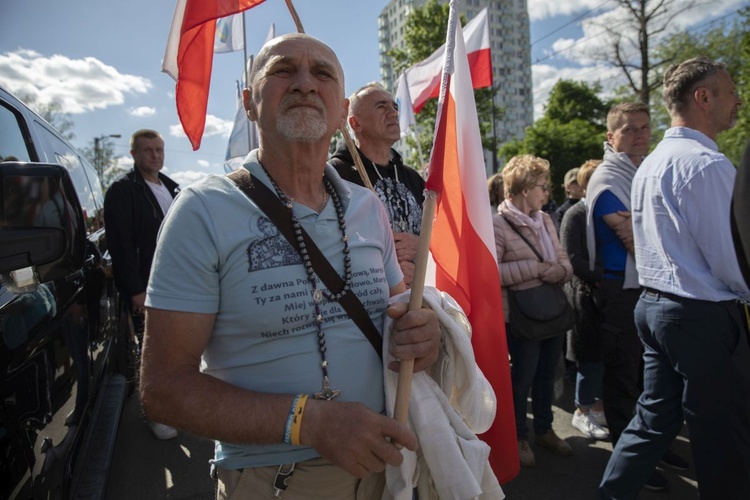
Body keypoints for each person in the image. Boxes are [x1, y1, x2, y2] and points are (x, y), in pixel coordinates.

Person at [139, 34, 442, 499]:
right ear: (249, 103)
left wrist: (422, 337)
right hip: (275, 481)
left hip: (387, 471)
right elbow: (162, 388)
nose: (305, 83)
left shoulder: (367, 206)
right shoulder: (201, 210)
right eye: (283, 70)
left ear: (342, 112)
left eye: (322, 73)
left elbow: (402, 318)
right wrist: (309, 422)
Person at [599, 57, 750, 500]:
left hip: (657, 308)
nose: (738, 99)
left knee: (654, 418)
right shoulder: (706, 164)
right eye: (729, 91)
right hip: (700, 315)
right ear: (703, 98)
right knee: (723, 437)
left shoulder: (651, 163)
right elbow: (732, 257)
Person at [493, 154, 573, 467]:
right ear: (524, 188)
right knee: (521, 379)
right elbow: (493, 272)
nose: (547, 191)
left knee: (546, 376)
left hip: (551, 311)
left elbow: (563, 259)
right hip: (522, 317)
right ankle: (518, 436)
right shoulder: (497, 224)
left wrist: (561, 271)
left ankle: (545, 429)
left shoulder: (546, 220)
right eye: (542, 185)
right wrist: (537, 269)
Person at [103, 128, 179, 441]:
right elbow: (120, 245)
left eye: (159, 150)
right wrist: (135, 290)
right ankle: (155, 413)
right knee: (151, 352)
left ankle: (173, 405)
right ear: (134, 154)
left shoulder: (172, 187)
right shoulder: (123, 190)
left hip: (176, 284)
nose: (155, 155)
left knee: (175, 351)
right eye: (147, 150)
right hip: (147, 288)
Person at [328, 82, 425, 288]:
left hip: (417, 296)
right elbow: (325, 244)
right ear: (355, 124)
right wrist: (386, 266)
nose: (393, 113)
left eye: (395, 107)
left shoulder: (413, 178)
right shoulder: (334, 176)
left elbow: (440, 236)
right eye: (381, 106)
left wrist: (422, 247)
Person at [559, 160, 608, 440]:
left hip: (602, 296)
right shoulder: (577, 214)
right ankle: (582, 410)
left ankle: (598, 406)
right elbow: (572, 257)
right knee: (588, 357)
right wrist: (602, 275)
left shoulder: (602, 212)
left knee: (602, 357)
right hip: (584, 297)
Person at [554, 167, 583, 231]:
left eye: (582, 181)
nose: (581, 185)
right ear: (567, 187)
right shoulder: (561, 212)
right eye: (576, 182)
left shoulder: (590, 206)